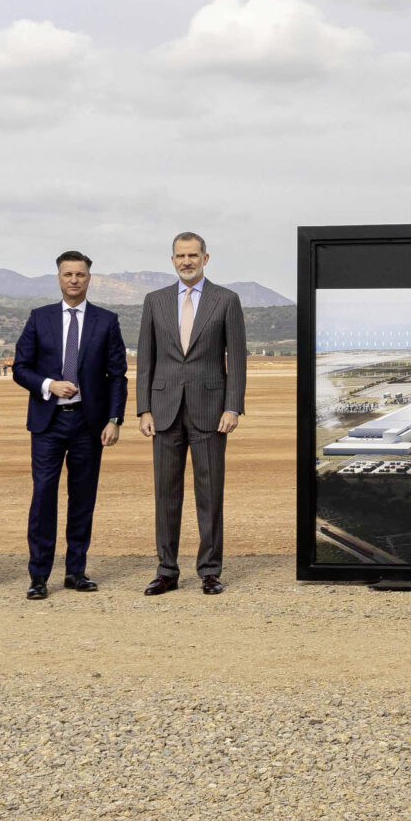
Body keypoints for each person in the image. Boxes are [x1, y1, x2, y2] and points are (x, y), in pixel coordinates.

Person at [12, 251, 128, 599]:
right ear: (58, 278)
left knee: (82, 499)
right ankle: (39, 576)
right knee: (43, 497)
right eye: (67, 274)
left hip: (88, 424)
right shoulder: (39, 318)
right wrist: (49, 385)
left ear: (89, 278)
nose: (74, 280)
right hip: (48, 424)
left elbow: (117, 375)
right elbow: (20, 367)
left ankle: (76, 571)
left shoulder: (106, 321)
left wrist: (114, 419)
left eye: (80, 274)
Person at [138, 232, 246, 595]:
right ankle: (167, 570)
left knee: (210, 493)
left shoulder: (226, 300)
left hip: (211, 412)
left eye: (193, 255)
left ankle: (210, 571)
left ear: (206, 258)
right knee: (165, 495)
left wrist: (233, 406)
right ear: (172, 260)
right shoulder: (154, 301)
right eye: (180, 256)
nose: (187, 261)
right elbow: (145, 361)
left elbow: (238, 359)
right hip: (164, 411)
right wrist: (144, 408)